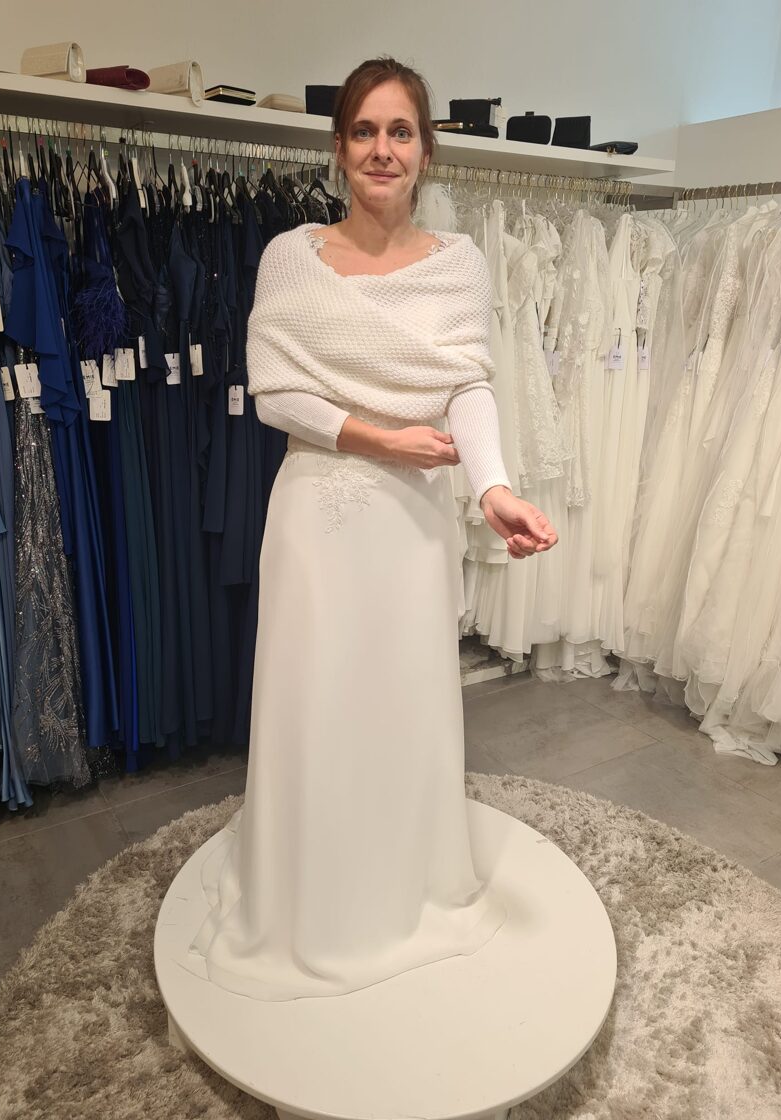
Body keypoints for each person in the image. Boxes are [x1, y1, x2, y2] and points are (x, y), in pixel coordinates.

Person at [184, 57, 558, 1002]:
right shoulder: (290, 257)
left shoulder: (460, 264)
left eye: (400, 132)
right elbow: (275, 395)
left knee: (401, 705)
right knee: (318, 703)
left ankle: (402, 888)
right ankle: (314, 904)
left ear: (427, 151)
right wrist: (381, 438)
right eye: (364, 131)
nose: (381, 150)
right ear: (338, 147)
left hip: (415, 527)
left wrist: (493, 488)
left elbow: (468, 384)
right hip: (320, 513)